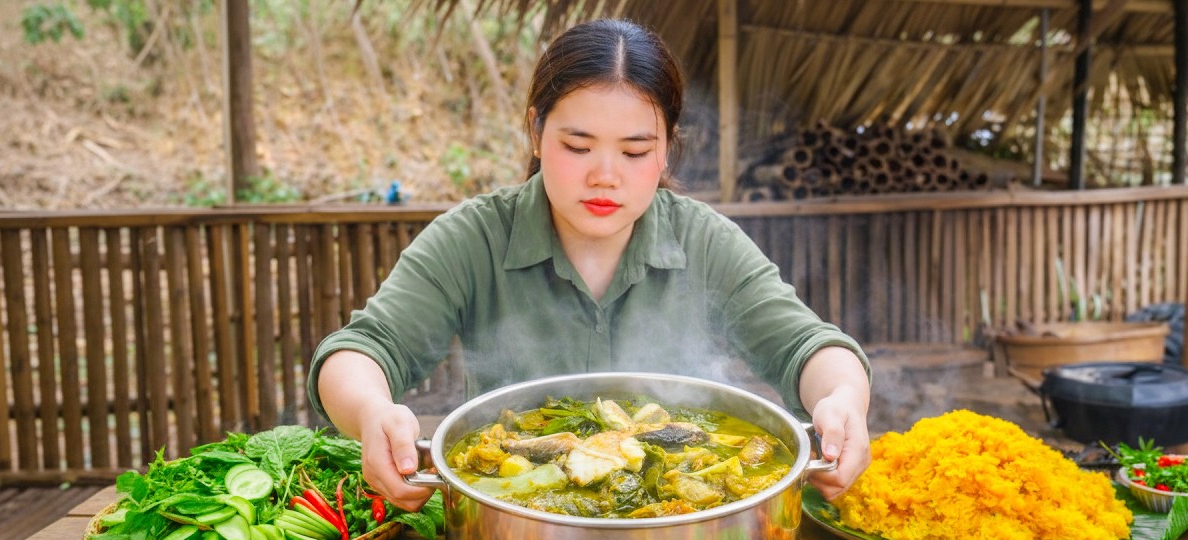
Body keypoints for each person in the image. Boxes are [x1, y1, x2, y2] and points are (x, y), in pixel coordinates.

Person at [308, 17, 871, 512]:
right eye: (577, 146)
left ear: (666, 149)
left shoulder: (703, 240)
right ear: (535, 131)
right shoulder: (474, 236)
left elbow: (808, 347)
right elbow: (360, 351)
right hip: (517, 529)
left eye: (634, 151)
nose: (605, 174)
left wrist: (842, 400)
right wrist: (373, 414)